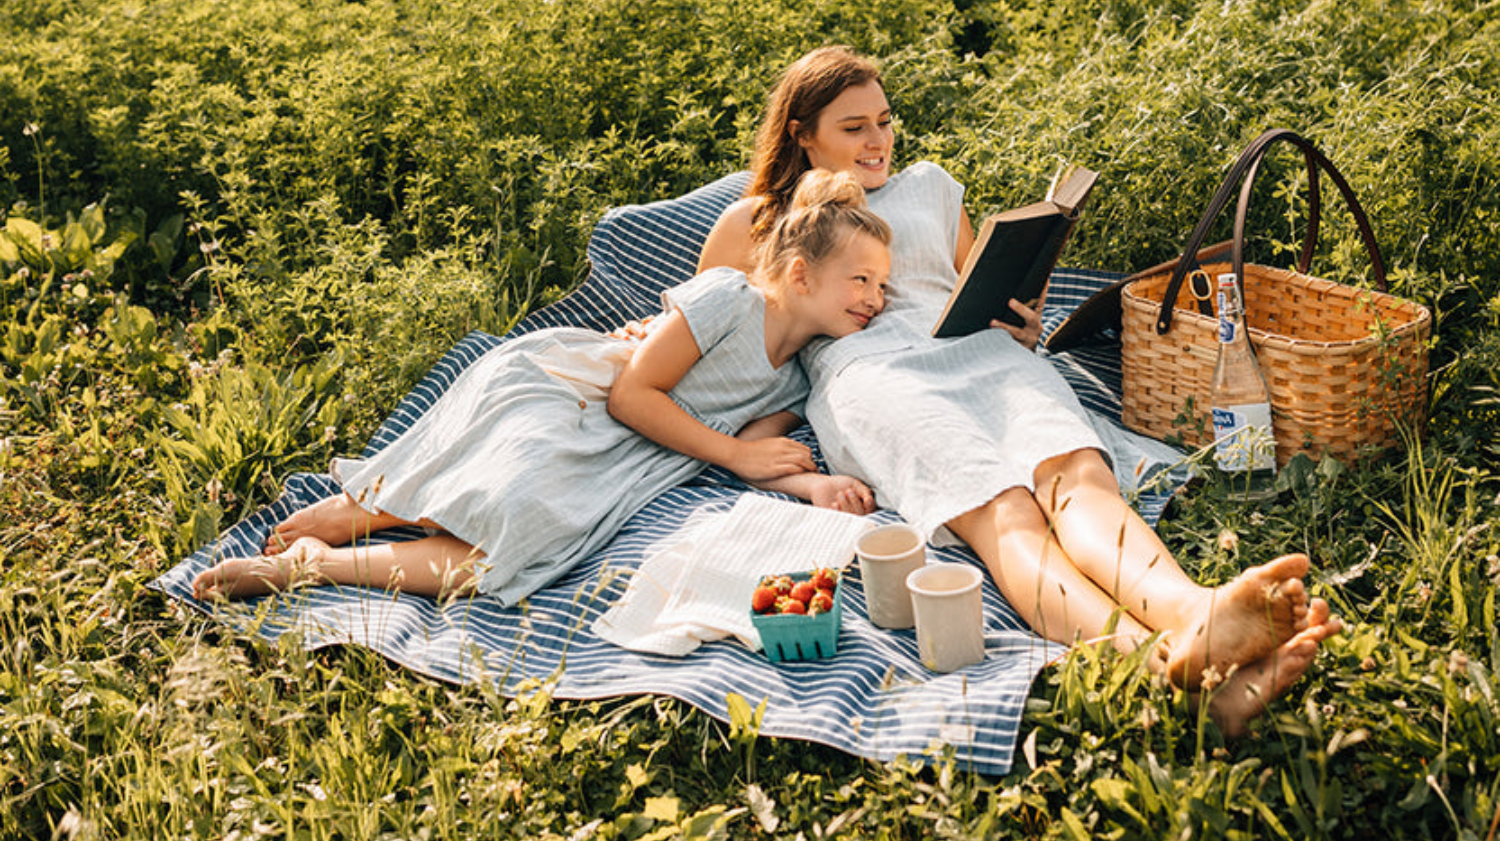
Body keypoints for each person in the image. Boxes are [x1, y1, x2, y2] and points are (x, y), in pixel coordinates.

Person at [697, 46, 1340, 734]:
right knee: (1007, 514)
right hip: (869, 371)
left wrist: (1019, 321)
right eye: (854, 127)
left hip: (978, 350)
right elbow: (718, 325)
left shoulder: (931, 186)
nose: (878, 142)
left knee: (1078, 478)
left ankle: (1194, 614)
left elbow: (970, 286)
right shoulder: (758, 220)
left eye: (885, 121)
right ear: (801, 132)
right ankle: (1159, 670)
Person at [193, 170, 889, 604]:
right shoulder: (729, 297)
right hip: (579, 395)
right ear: (799, 274)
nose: (876, 300)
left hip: (640, 451)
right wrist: (736, 457)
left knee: (524, 545)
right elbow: (632, 396)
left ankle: (320, 565)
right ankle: (365, 511)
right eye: (861, 281)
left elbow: (753, 453)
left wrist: (815, 488)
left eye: (883, 286)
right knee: (502, 491)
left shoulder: (799, 378)